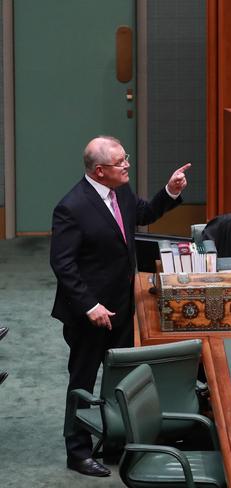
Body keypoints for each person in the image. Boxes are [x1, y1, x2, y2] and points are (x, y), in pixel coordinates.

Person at [50, 136, 189, 477]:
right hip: (90, 313)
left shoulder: (120, 191)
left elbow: (145, 213)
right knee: (82, 379)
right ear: (99, 171)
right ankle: (77, 450)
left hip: (123, 304)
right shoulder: (71, 207)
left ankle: (114, 443)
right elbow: (62, 264)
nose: (127, 164)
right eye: (120, 162)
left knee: (120, 377)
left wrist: (169, 190)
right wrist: (89, 305)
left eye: (125, 157)